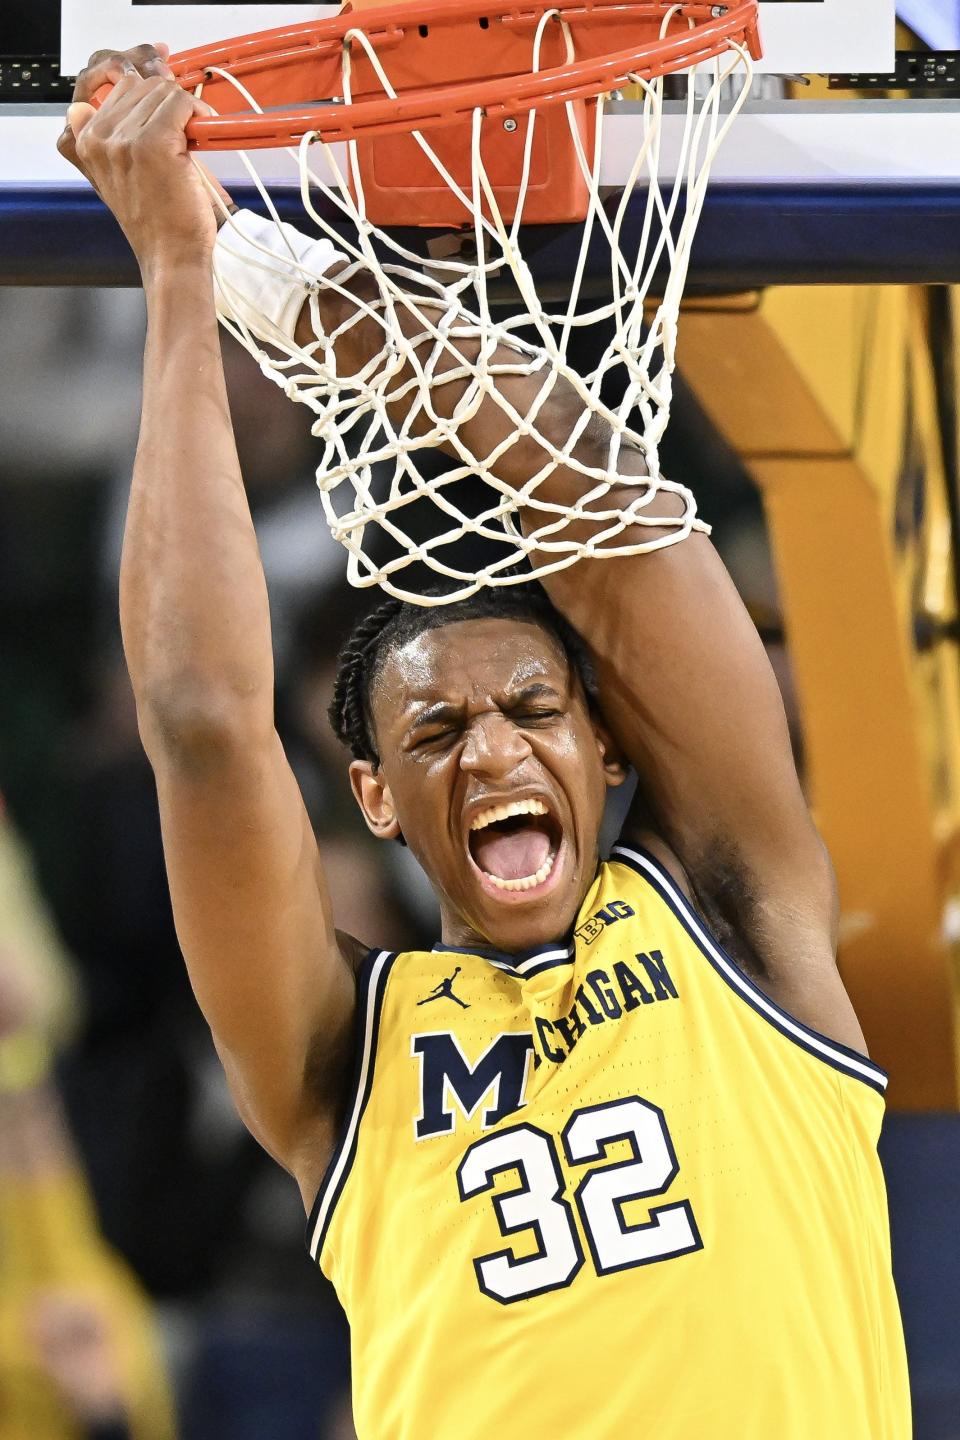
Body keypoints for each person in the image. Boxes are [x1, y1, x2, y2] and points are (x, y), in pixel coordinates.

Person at [58, 45, 911, 1440]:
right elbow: (205, 727)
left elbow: (615, 516)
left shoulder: (739, 920)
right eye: (437, 728)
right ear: (377, 799)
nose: (495, 749)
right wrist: (177, 274)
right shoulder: (348, 1050)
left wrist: (313, 297)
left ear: (608, 757)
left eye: (534, 710)